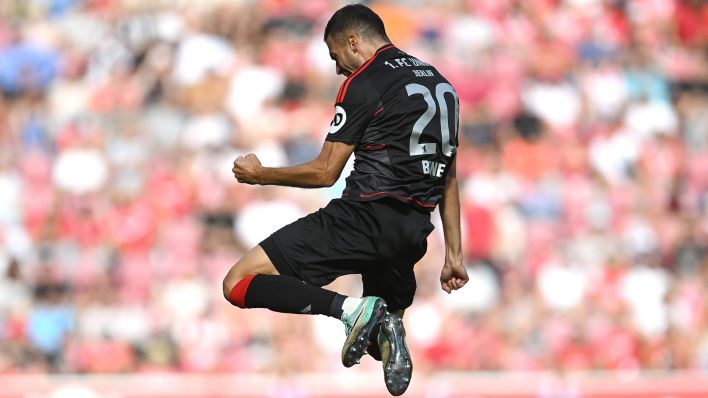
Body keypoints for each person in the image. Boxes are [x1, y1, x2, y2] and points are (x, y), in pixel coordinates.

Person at [223, 4, 468, 395]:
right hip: (411, 234)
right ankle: (383, 325)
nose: (338, 68)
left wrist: (262, 175)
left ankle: (349, 308)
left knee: (238, 282)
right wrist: (453, 253)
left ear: (353, 41)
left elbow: (326, 172)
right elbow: (449, 176)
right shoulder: (444, 87)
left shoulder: (366, 80)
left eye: (336, 56)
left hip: (362, 216)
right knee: (376, 339)